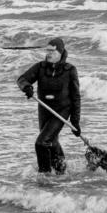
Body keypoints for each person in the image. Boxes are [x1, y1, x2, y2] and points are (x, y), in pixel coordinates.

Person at [16, 37, 81, 174]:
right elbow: (22, 79)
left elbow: (76, 98)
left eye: (52, 51)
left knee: (41, 142)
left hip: (62, 110)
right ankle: (61, 171)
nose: (48, 54)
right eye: (47, 50)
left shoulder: (70, 70)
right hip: (44, 109)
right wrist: (26, 87)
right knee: (51, 142)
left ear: (60, 52)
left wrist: (75, 122)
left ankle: (44, 175)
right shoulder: (40, 67)